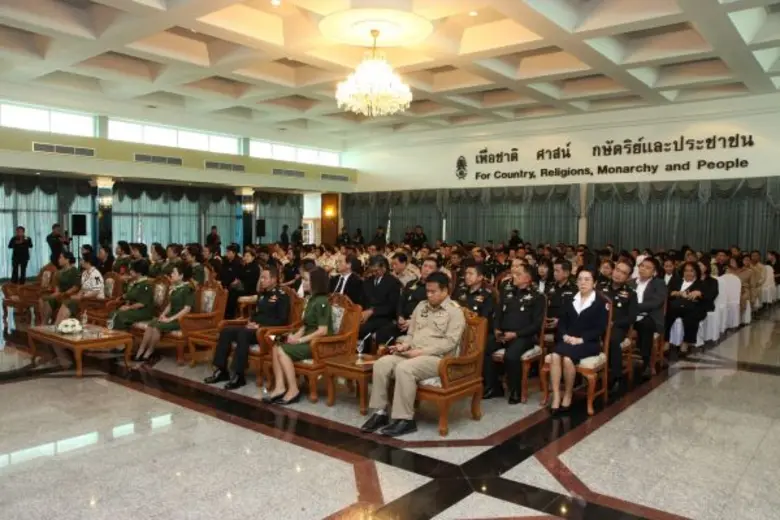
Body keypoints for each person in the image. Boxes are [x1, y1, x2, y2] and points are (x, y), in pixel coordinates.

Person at [360, 272, 465, 437]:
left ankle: (405, 420)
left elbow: (450, 343)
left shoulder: (455, 312)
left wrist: (420, 352)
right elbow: (411, 333)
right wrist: (404, 345)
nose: (429, 295)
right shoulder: (421, 306)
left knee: (404, 368)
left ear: (445, 291)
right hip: (413, 352)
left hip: (438, 358)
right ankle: (380, 413)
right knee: (382, 363)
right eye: (427, 291)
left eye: (433, 292)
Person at [206, 266, 290, 390]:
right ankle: (221, 370)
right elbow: (256, 314)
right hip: (253, 329)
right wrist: (251, 321)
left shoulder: (282, 296)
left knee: (243, 334)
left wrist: (260, 325)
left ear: (273, 279)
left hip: (268, 333)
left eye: (264, 278)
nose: (261, 280)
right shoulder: (262, 295)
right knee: (226, 331)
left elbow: (282, 321)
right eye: (261, 277)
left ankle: (239, 375)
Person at [265, 267, 332, 404]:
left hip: (317, 344)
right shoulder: (311, 299)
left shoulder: (322, 302)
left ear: (316, 282)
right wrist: (294, 336)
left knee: (281, 349)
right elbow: (305, 325)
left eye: (306, 280)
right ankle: (279, 387)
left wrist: (299, 340)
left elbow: (322, 331)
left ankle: (293, 390)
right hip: (305, 338)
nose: (304, 282)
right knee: (274, 341)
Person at [548, 267, 610, 413]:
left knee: (568, 359)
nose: (583, 282)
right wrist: (565, 336)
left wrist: (581, 340)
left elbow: (600, 328)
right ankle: (556, 396)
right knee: (555, 355)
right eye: (580, 279)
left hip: (589, 343)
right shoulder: (570, 299)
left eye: (587, 279)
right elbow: (562, 323)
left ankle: (568, 394)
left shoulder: (600, 302)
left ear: (594, 283)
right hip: (569, 340)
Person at [483, 262, 544, 403]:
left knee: (511, 356)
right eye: (514, 274)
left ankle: (515, 390)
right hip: (504, 334)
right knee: (485, 347)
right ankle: (494, 387)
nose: (513, 277)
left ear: (528, 278)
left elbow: (536, 324)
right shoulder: (507, 292)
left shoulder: (537, 297)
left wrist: (516, 335)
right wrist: (497, 329)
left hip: (524, 336)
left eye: (518, 274)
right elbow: (497, 314)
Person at [133, 264, 195, 366]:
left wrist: (170, 319)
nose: (171, 274)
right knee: (152, 324)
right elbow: (170, 305)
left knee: (157, 326)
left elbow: (187, 309)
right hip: (170, 317)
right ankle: (141, 350)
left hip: (181, 320)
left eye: (174, 273)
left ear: (181, 276)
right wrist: (162, 315)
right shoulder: (176, 287)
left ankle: (149, 352)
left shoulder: (188, 289)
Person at [376, 256, 438, 347]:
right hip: (402, 322)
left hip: (418, 324)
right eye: (425, 266)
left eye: (430, 267)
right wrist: (400, 317)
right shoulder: (411, 283)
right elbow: (400, 302)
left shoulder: (434, 290)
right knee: (383, 332)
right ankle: (381, 357)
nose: (426, 269)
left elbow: (430, 311)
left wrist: (411, 322)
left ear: (436, 271)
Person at [600, 261, 637, 392]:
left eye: (623, 273)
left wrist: (614, 323)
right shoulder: (600, 287)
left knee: (612, 339)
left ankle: (615, 375)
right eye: (617, 270)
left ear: (628, 277)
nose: (618, 274)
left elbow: (632, 317)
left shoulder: (631, 294)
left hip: (617, 327)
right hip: (598, 324)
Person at [631, 257, 667, 377]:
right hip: (632, 316)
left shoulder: (659, 283)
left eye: (648, 268)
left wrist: (635, 307)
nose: (643, 269)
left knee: (645, 325)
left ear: (654, 272)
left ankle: (646, 362)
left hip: (651, 316)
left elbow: (656, 302)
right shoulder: (631, 282)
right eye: (642, 266)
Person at [359, 255, 401, 353]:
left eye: (376, 270)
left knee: (362, 329)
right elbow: (362, 300)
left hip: (383, 317)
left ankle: (365, 355)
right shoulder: (368, 281)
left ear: (384, 268)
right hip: (365, 314)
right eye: (372, 270)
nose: (374, 273)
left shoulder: (393, 282)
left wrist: (373, 311)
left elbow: (392, 306)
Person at [664, 262, 708, 355]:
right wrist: (677, 293)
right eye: (686, 271)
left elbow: (706, 297)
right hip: (676, 306)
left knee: (691, 316)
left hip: (692, 308)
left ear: (696, 272)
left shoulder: (700, 283)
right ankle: (666, 341)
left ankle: (685, 343)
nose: (688, 273)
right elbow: (667, 292)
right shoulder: (676, 280)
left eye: (691, 271)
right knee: (666, 314)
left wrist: (699, 293)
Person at [55, 254, 104, 325]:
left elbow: (96, 292)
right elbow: (82, 289)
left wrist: (82, 297)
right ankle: (58, 325)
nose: (81, 261)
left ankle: (60, 325)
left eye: (82, 260)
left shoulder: (96, 274)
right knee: (67, 301)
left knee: (70, 303)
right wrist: (77, 296)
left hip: (95, 301)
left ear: (88, 262)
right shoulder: (84, 273)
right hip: (84, 299)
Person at [111, 260, 155, 331]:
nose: (130, 271)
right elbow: (129, 296)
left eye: (132, 269)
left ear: (139, 272)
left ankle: (121, 337)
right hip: (134, 309)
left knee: (119, 315)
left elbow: (142, 304)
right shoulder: (136, 282)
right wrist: (125, 303)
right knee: (114, 313)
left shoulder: (146, 284)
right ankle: (114, 335)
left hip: (143, 312)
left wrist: (128, 308)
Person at [39, 252, 80, 326]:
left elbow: (76, 287)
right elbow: (57, 289)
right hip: (60, 295)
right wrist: (52, 295)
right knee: (45, 299)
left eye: (61, 257)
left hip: (70, 295)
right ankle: (44, 323)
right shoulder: (58, 272)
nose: (59, 260)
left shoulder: (74, 270)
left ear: (67, 260)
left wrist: (65, 293)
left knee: (66, 301)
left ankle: (56, 326)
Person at [453, 262, 495, 327]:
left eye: (470, 274)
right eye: (466, 273)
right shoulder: (460, 289)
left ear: (480, 277)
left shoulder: (487, 295)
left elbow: (484, 319)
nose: (466, 276)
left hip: (474, 329)